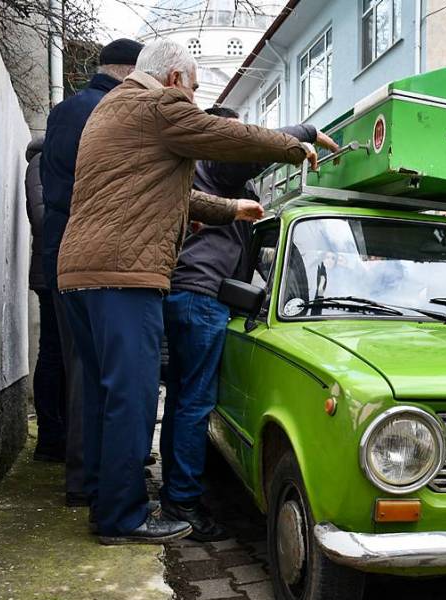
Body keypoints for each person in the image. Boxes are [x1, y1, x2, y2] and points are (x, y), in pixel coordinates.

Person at [56, 39, 315, 545]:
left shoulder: (115, 107)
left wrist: (229, 210)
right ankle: (123, 518)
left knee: (107, 396)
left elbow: (167, 193)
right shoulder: (160, 104)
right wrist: (295, 144)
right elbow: (224, 136)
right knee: (131, 401)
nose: (194, 99)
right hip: (123, 276)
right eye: (195, 88)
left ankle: (101, 497)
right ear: (175, 79)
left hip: (81, 273)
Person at [161, 106, 337, 541]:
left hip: (189, 293)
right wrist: (307, 131)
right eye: (238, 133)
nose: (243, 139)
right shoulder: (216, 163)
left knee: (185, 400)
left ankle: (176, 494)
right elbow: (252, 149)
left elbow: (251, 250)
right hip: (201, 298)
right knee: (194, 403)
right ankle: (183, 503)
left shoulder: (206, 174)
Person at [40, 38, 143, 507]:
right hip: (94, 251)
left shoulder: (66, 110)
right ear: (129, 72)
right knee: (95, 371)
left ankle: (86, 472)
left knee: (78, 363)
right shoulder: (110, 111)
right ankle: (89, 483)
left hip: (62, 249)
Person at [25, 136, 66, 462]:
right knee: (53, 353)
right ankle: (50, 438)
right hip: (51, 270)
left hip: (59, 267)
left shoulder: (51, 160)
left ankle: (61, 434)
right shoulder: (42, 161)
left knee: (61, 355)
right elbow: (42, 218)